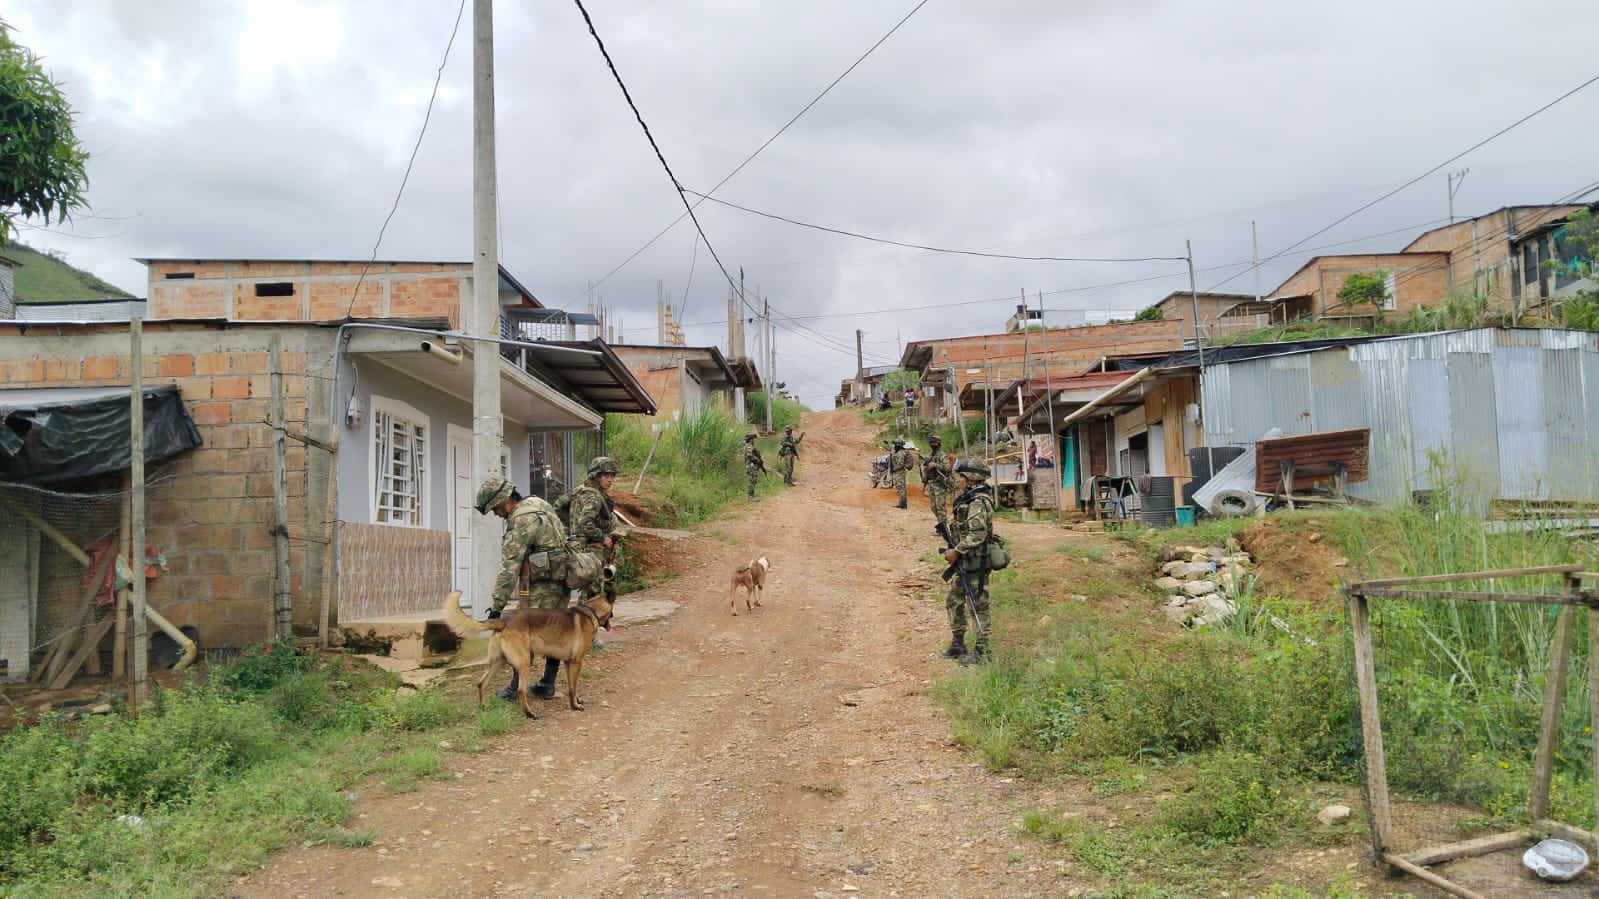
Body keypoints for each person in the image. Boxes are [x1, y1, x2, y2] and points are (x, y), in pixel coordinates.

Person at [475, 476, 570, 700]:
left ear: (504, 501)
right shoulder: (538, 503)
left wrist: (497, 606)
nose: (497, 514)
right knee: (554, 632)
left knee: (523, 632)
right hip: (562, 578)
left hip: (543, 583)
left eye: (496, 509)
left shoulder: (521, 519)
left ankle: (516, 688)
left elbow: (509, 567)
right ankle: (547, 683)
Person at [943, 459, 996, 665]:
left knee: (978, 605)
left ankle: (982, 651)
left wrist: (956, 551)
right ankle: (958, 643)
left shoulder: (978, 502)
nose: (960, 481)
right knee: (954, 600)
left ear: (972, 479)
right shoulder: (969, 498)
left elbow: (978, 534)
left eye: (963, 477)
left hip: (976, 561)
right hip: (967, 560)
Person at [568, 455, 621, 592]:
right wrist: (603, 537)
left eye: (612, 476)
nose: (610, 479)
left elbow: (558, 507)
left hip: (581, 548)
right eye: (606, 475)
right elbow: (585, 523)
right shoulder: (593, 496)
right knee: (593, 591)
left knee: (593, 590)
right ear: (596, 476)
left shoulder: (580, 491)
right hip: (590, 550)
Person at [923, 435, 954, 541]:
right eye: (931, 442)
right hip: (931, 483)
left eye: (934, 443)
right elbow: (926, 468)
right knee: (933, 507)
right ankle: (941, 525)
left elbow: (947, 467)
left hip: (939, 484)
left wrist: (935, 465)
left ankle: (943, 529)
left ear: (938, 444)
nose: (932, 445)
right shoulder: (930, 455)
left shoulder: (942, 455)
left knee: (940, 507)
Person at [890, 438, 912, 509]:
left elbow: (900, 464)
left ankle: (903, 504)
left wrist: (894, 469)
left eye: (896, 444)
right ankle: (901, 503)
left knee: (901, 488)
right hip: (897, 472)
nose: (895, 445)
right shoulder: (896, 451)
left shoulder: (901, 453)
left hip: (900, 472)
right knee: (898, 487)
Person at [743, 432, 766, 501]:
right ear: (750, 439)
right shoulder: (749, 446)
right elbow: (749, 456)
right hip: (751, 466)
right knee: (752, 480)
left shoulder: (751, 446)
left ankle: (752, 495)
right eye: (753, 439)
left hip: (753, 466)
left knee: (754, 480)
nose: (754, 440)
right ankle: (750, 496)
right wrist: (757, 460)